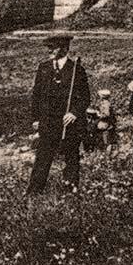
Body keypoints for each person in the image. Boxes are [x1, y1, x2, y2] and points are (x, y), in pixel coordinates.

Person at [27, 34, 90, 195]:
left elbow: (85, 98)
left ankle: (71, 188)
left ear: (64, 48)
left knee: (71, 156)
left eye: (53, 47)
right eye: (49, 47)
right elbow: (37, 95)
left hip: (68, 124)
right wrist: (35, 118)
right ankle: (33, 191)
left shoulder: (77, 70)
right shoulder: (44, 68)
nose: (49, 50)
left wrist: (74, 113)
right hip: (48, 122)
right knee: (42, 157)